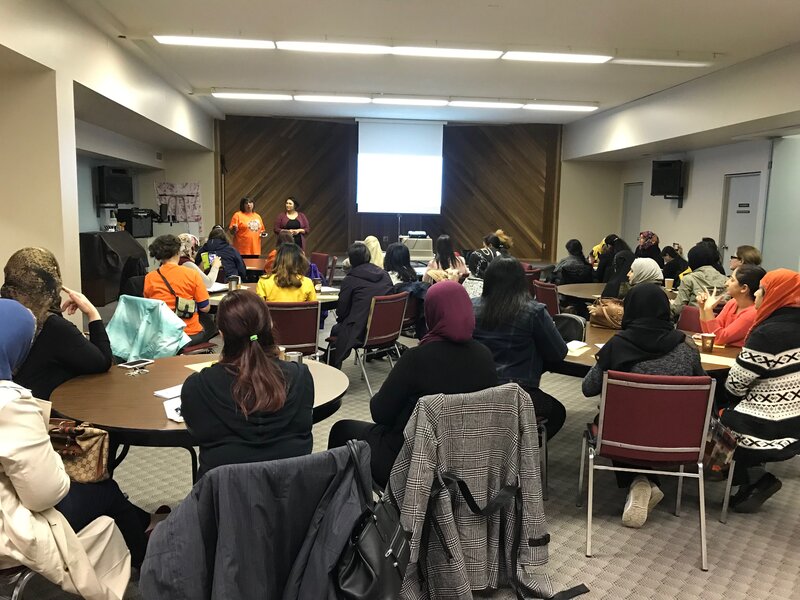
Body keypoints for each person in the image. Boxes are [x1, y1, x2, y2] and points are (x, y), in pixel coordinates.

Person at [0, 299, 131, 599]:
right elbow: (45, 494)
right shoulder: (9, 406)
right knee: (103, 490)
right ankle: (146, 568)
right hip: (10, 534)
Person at [327, 281, 498, 487]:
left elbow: (380, 413)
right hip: (466, 460)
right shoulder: (485, 357)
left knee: (341, 430)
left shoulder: (418, 358)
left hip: (410, 462)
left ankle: (349, 513)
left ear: (432, 313)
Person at [582, 284, 704, 528]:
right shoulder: (687, 347)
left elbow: (589, 388)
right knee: (631, 420)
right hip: (679, 438)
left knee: (614, 420)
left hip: (623, 437)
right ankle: (647, 482)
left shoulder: (617, 346)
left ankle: (639, 481)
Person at [180, 290, 314, 479]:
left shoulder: (198, 386)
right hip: (291, 499)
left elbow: (197, 432)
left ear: (222, 334)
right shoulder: (300, 378)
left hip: (223, 500)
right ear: (270, 325)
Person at [720, 269, 800, 512]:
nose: (756, 293)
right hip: (795, 415)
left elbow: (735, 384)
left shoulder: (767, 333)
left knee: (714, 409)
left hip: (769, 422)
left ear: (775, 294)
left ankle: (747, 476)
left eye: (762, 289)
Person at [472, 257, 568, 438]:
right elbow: (559, 353)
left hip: (474, 391)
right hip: (517, 394)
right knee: (557, 413)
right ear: (521, 282)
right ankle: (520, 453)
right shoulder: (534, 311)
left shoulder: (470, 306)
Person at [2, 248, 113, 401]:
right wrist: (92, 313)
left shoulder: (6, 311)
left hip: (9, 406)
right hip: (40, 411)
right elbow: (102, 362)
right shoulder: (52, 326)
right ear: (53, 282)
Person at [327, 242, 392, 369]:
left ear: (351, 260)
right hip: (386, 328)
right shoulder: (384, 275)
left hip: (361, 332)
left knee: (337, 329)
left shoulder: (350, 279)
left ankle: (332, 368)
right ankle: (329, 360)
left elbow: (342, 311)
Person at [145, 234, 214, 345]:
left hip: (161, 333)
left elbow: (149, 306)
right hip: (188, 333)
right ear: (178, 252)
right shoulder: (191, 274)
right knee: (210, 324)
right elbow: (205, 307)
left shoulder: (149, 277)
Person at [696, 264, 766, 347]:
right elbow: (709, 333)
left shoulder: (753, 313)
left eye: (732, 280)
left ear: (744, 288)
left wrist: (708, 310)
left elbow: (718, 338)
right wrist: (702, 307)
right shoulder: (732, 302)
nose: (726, 283)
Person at [670, 243, 729, 318]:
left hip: (693, 325)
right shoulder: (726, 280)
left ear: (693, 261)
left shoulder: (689, 279)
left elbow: (678, 309)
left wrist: (669, 304)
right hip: (718, 325)